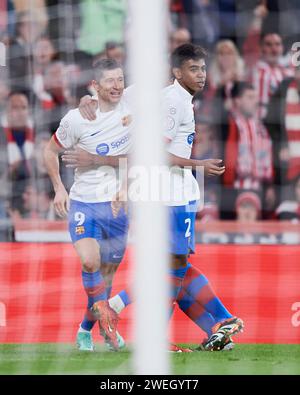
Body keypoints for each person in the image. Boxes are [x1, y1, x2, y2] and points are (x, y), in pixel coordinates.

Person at [65, 44, 244, 352]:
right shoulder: (174, 103)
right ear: (176, 71)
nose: (201, 75)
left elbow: (119, 99)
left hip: (168, 193)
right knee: (171, 265)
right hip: (164, 195)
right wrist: (198, 165)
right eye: (193, 69)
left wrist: (89, 100)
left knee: (178, 265)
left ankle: (218, 323)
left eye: (202, 69)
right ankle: (139, 324)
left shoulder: (162, 96)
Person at [44, 58, 132, 352]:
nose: (117, 85)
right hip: (84, 202)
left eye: (120, 79)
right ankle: (108, 325)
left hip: (118, 207)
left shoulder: (133, 111)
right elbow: (50, 150)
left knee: (105, 279)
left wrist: (125, 187)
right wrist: (59, 188)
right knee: (90, 261)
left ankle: (85, 330)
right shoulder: (76, 118)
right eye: (110, 80)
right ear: (95, 85)